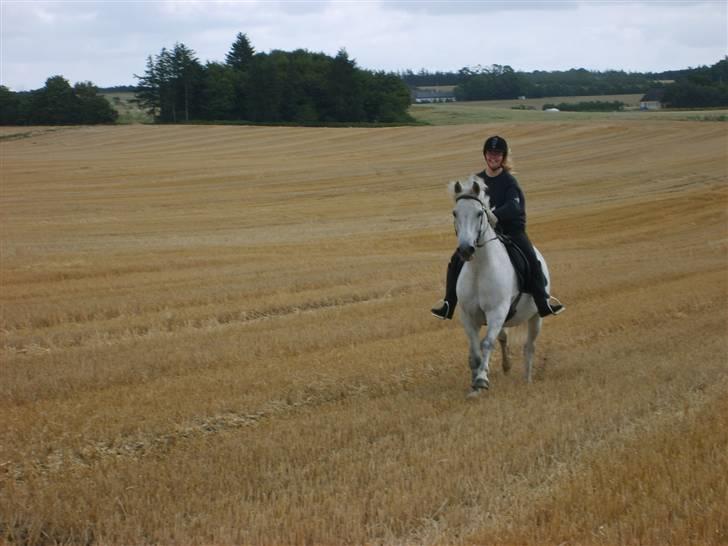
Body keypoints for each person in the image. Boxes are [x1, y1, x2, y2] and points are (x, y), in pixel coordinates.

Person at [431, 135, 565, 320]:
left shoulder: (509, 182)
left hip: (512, 231)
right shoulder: (478, 181)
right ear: (485, 155)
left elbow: (514, 206)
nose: (493, 157)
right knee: (455, 261)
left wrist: (493, 215)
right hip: (485, 234)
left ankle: (543, 302)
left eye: (498, 154)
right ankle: (448, 304)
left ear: (503, 157)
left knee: (531, 260)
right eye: (490, 153)